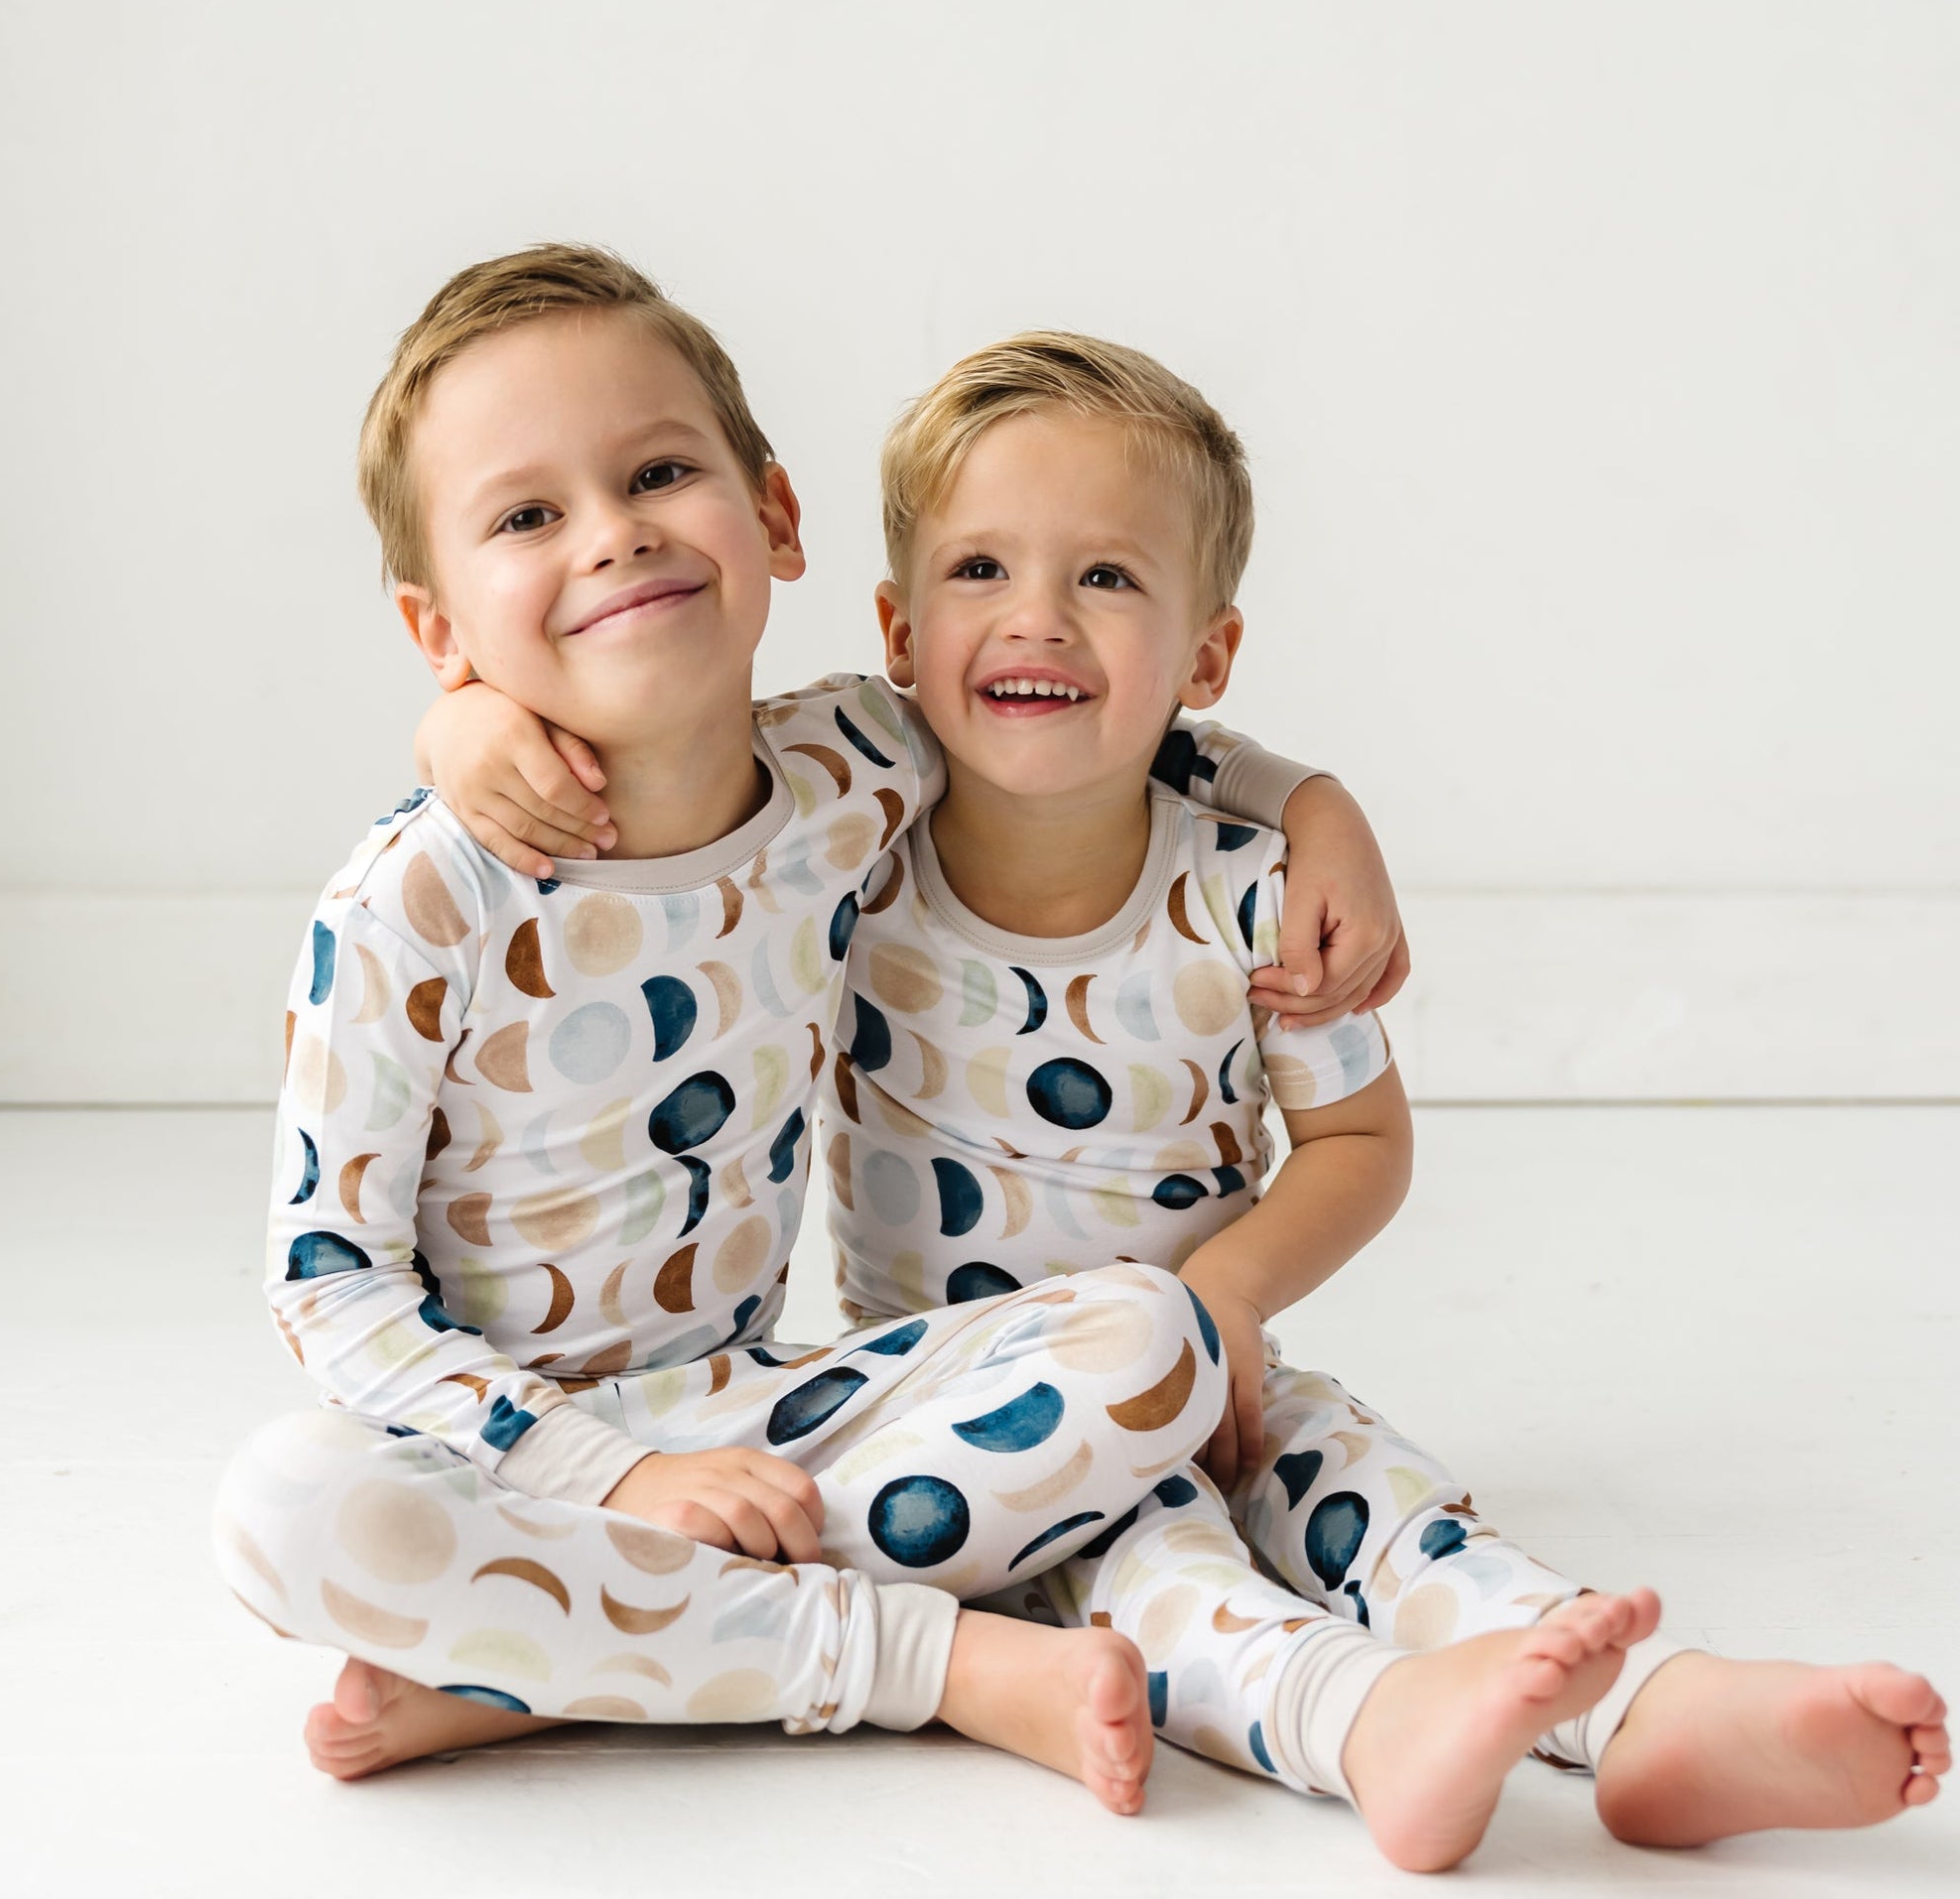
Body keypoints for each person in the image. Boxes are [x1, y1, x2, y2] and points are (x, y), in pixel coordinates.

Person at [214, 244, 1402, 1812]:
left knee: (1147, 1341)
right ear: (442, 625)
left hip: (776, 1413)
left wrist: (1316, 807)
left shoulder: (856, 767)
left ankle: (558, 1664)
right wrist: (618, 1481)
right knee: (284, 1507)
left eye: (655, 472)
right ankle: (944, 1664)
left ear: (775, 517)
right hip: (493, 1459)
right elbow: (333, 1294)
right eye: (529, 517)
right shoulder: (415, 903)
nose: (614, 532)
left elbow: (1086, 714)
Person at [805, 328, 1946, 1868]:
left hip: (1222, 1369)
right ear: (895, 625)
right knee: (1151, 1576)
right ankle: (1365, 1721)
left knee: (1374, 1494)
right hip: (977, 1427)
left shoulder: (1250, 890)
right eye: (981, 570)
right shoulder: (839, 859)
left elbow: (1358, 1141)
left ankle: (1654, 1706)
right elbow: (667, 775)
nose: (1038, 619)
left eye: (1109, 579)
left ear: (1208, 658)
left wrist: (1222, 1311)